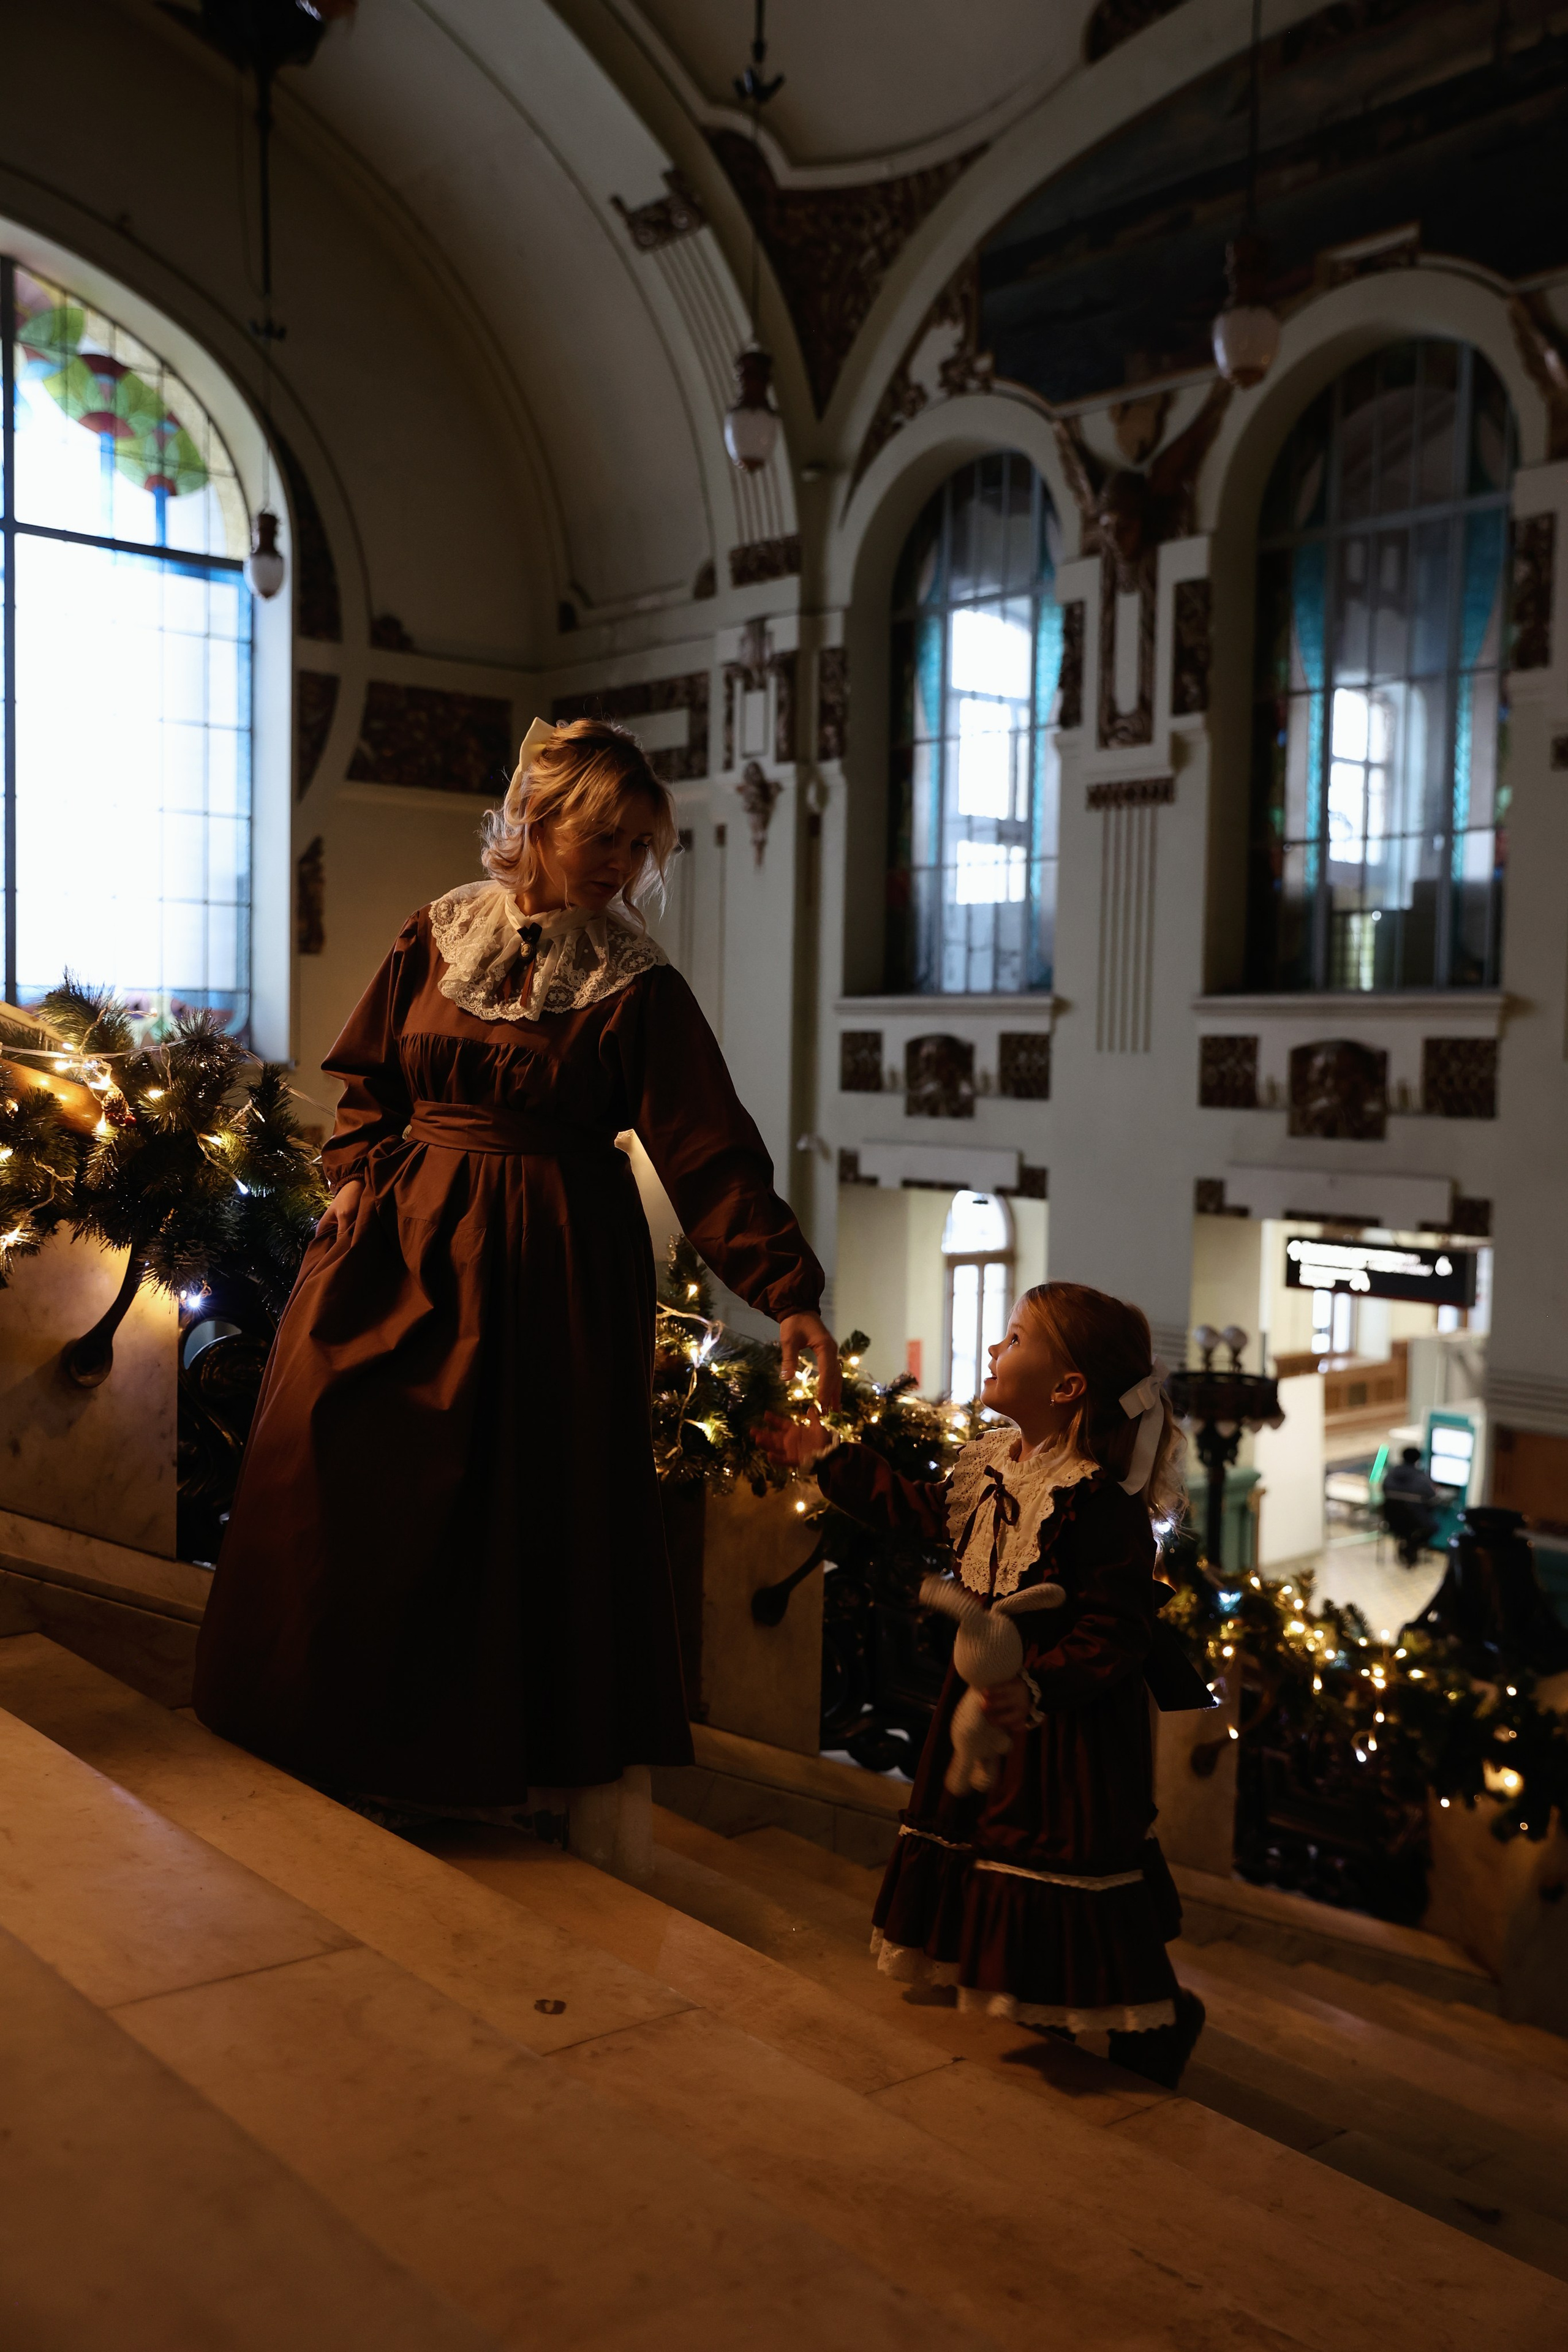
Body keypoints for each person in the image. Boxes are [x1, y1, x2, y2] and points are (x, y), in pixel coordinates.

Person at [194, 716, 837, 1875]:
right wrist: (351, 1184)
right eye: (604, 834)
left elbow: (711, 1157)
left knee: (513, 1511)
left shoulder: (639, 986)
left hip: (551, 1267)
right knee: (336, 1453)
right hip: (399, 1239)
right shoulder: (436, 934)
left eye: (642, 845)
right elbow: (367, 1082)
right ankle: (338, 1733)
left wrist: (788, 1294)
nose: (622, 863)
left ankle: (492, 1775)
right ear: (534, 822)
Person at [761, 1280, 1207, 2088]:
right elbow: (917, 1508)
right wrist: (824, 1456)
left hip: (1060, 1726)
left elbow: (1119, 1630)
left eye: (1014, 1339)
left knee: (1057, 1859)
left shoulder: (1098, 1501)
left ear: (1068, 1388)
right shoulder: (993, 1465)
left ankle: (1157, 2019)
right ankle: (1042, 2000)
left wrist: (1039, 1689)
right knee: (999, 1849)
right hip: (995, 1706)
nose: (997, 1351)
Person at [1381, 1446, 1441, 1567]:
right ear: (1417, 1460)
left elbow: (1383, 1490)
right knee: (1434, 1527)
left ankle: (1407, 1543)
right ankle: (1413, 1544)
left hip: (1391, 1520)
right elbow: (1431, 1498)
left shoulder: (1391, 1474)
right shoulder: (1421, 1478)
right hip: (1416, 1520)